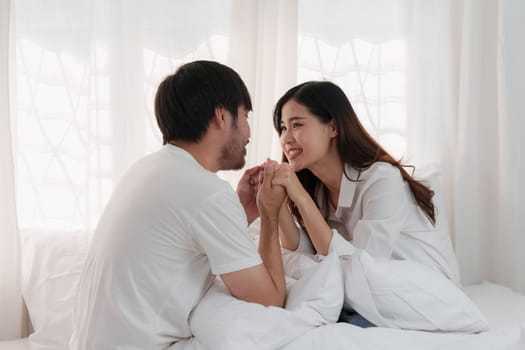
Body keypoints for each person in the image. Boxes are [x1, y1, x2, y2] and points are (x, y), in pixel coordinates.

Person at [70, 60, 287, 349]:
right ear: (221, 116)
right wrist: (270, 216)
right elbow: (269, 302)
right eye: (245, 115)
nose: (249, 132)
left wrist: (242, 211)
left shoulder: (145, 170)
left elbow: (181, 241)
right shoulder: (207, 193)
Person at [269, 81, 460, 326]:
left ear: (333, 127)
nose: (286, 138)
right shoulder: (318, 189)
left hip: (421, 296)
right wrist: (279, 204)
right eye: (283, 128)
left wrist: (299, 196)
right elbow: (311, 252)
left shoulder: (381, 179)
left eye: (297, 125)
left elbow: (361, 266)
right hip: (367, 295)